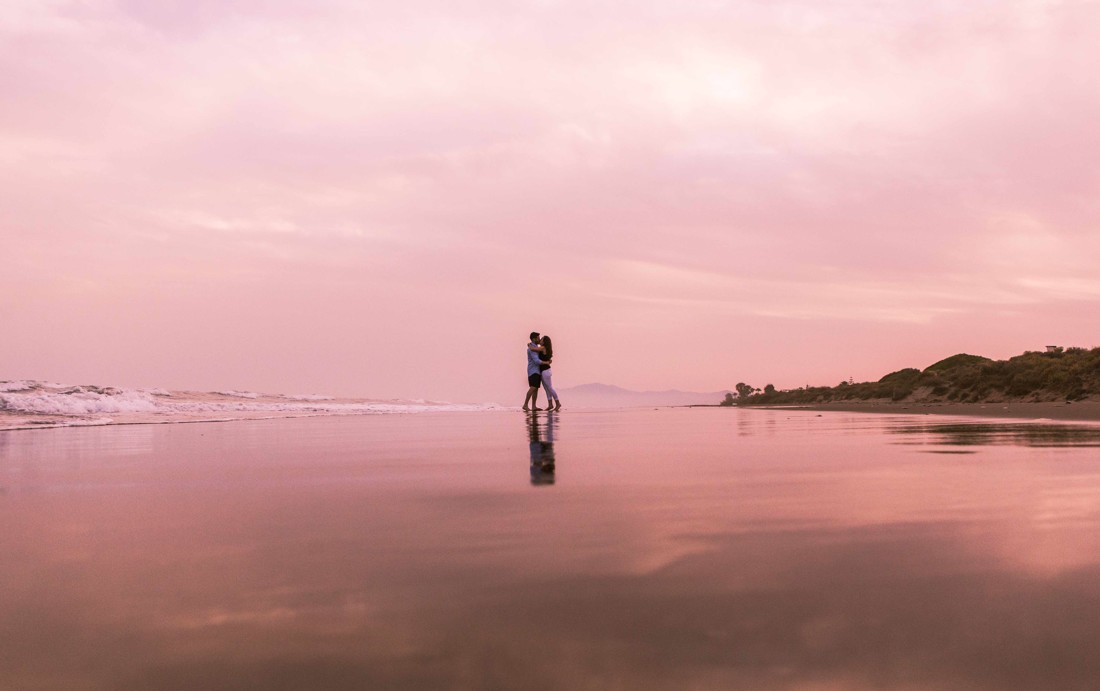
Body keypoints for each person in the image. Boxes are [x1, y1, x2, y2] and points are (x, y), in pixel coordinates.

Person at [529, 335, 561, 411]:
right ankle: (550, 404)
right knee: (547, 388)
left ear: (544, 341)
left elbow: (533, 349)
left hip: (546, 371)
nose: (540, 340)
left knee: (550, 387)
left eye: (542, 339)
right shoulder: (544, 348)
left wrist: (529, 345)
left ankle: (558, 403)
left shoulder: (543, 348)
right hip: (544, 370)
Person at [522, 331, 543, 411]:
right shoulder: (531, 349)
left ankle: (534, 406)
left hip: (536, 370)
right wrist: (546, 362)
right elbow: (536, 361)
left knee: (536, 388)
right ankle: (525, 404)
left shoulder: (534, 347)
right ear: (534, 339)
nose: (539, 339)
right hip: (533, 370)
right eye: (538, 338)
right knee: (533, 387)